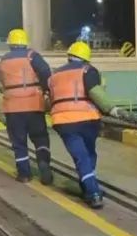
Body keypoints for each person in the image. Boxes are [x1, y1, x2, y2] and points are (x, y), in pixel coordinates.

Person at [48, 40, 116, 209]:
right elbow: (95, 92)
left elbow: (50, 100)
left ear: (69, 57)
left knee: (81, 156)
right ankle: (93, 193)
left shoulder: (54, 75)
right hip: (87, 120)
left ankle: (88, 187)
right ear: (86, 58)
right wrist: (111, 108)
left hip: (63, 122)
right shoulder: (87, 70)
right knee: (88, 155)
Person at [0, 28, 53, 184]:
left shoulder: (3, 60)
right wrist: (45, 90)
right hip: (34, 104)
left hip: (12, 107)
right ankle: (43, 164)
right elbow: (46, 73)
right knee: (40, 138)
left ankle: (24, 174)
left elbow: (1, 79)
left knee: (19, 142)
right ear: (25, 42)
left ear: (10, 43)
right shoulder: (32, 56)